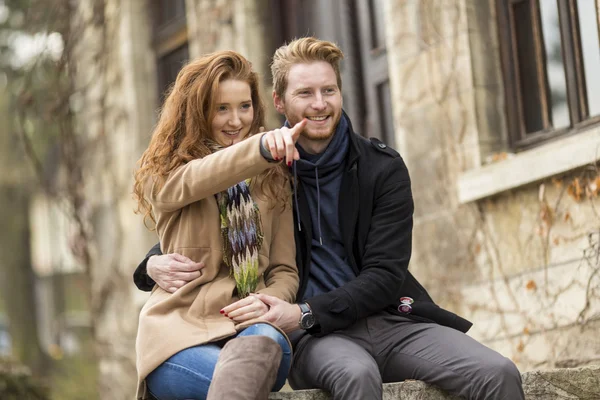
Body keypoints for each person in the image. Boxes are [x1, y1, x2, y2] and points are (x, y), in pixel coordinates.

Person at [134, 38, 525, 400]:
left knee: (499, 372)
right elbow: (199, 216)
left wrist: (296, 310)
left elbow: (382, 273)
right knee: (354, 374)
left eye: (329, 91)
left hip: (382, 319)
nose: (319, 104)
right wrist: (150, 263)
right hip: (313, 337)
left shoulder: (376, 168)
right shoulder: (267, 166)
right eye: (305, 93)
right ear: (280, 102)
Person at [132, 50, 307, 400]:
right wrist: (259, 147)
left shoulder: (272, 177)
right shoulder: (168, 173)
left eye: (245, 106)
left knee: (267, 341)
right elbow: (209, 173)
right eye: (221, 108)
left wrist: (268, 301)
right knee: (238, 383)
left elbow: (285, 270)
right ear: (197, 113)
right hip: (179, 336)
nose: (236, 120)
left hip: (252, 330)